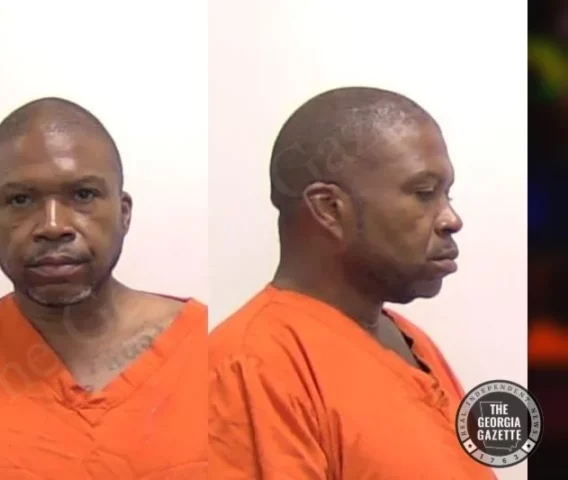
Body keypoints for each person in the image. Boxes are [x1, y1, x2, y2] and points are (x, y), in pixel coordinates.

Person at [0, 98, 207, 479]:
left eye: (83, 195)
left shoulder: (211, 355)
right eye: (21, 200)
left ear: (124, 213)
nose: (53, 226)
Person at [208, 87, 498, 479]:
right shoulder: (253, 369)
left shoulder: (411, 341)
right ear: (329, 208)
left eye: (447, 194)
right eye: (424, 193)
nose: (452, 219)